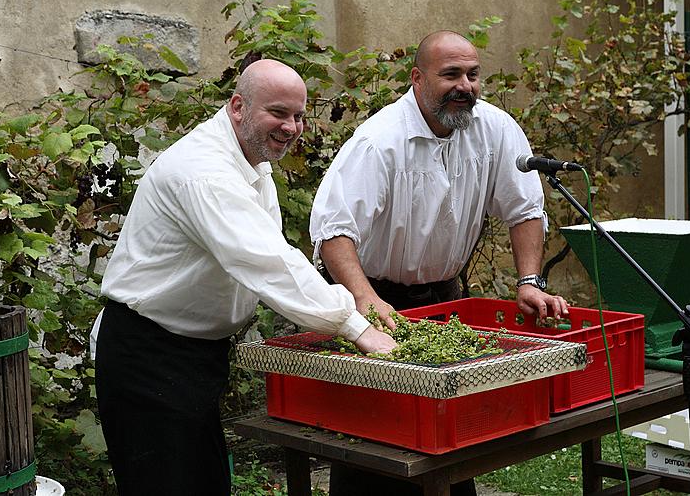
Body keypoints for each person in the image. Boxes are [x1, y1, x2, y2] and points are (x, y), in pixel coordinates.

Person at [94, 59, 396, 496]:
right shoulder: (204, 172)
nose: (291, 127)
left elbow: (271, 260)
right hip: (149, 356)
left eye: (299, 116)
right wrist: (354, 326)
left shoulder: (251, 163)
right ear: (238, 106)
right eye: (278, 112)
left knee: (207, 484)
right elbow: (267, 261)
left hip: (193, 354)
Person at [309, 31, 569, 496]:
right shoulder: (379, 141)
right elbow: (333, 230)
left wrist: (529, 280)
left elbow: (525, 209)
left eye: (472, 75)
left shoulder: (496, 128)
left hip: (446, 298)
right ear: (417, 78)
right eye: (450, 74)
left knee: (450, 434)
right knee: (377, 441)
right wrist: (365, 301)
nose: (464, 86)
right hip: (374, 297)